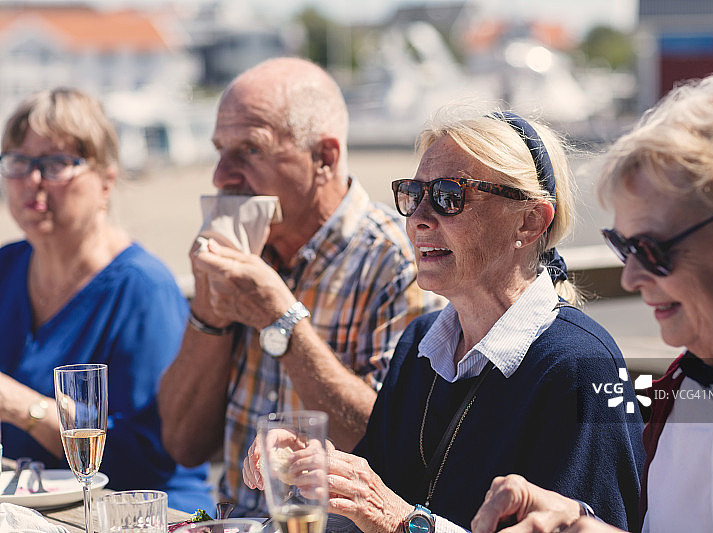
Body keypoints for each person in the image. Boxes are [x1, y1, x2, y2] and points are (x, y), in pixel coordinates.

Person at [242, 106, 646, 531]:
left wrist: (403, 521)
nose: (418, 219)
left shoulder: (582, 366)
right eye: (413, 194)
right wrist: (318, 469)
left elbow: (387, 511)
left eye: (449, 196)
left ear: (529, 221)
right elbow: (370, 501)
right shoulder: (420, 343)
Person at [470, 70, 713, 533]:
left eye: (651, 249)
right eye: (623, 247)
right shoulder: (684, 391)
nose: (631, 276)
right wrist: (579, 524)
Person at [157, 57, 443, 515]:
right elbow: (183, 444)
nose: (221, 175)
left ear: (324, 158)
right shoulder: (250, 249)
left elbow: (393, 453)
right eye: (220, 151)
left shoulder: (399, 260)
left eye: (250, 150)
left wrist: (280, 319)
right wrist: (209, 313)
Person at [0, 87, 212, 513]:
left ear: (106, 182)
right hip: (34, 504)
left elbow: (148, 459)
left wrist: (24, 407)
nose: (33, 181)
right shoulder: (6, 266)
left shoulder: (143, 288)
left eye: (55, 164)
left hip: (144, 511)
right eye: (19, 162)